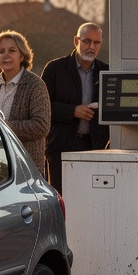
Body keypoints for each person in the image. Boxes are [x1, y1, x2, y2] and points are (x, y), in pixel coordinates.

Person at [40, 23, 109, 192]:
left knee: (91, 200)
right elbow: (43, 107)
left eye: (96, 43)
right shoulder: (55, 69)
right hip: (61, 148)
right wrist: (73, 111)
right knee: (62, 200)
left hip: (96, 149)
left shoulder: (106, 71)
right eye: (86, 41)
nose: (91, 47)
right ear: (76, 41)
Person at [0, 30, 51, 171]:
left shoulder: (35, 84)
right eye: (1, 51)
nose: (6, 55)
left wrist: (3, 126)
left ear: (21, 56)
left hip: (25, 165)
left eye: (12, 50)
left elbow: (41, 126)